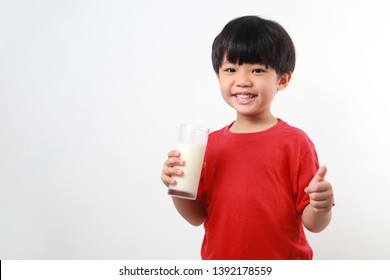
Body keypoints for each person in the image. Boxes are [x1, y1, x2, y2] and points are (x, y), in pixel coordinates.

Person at [161, 15, 334, 260]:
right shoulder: (208, 145)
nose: (242, 80)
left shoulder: (295, 142)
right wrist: (177, 188)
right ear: (218, 76)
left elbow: (313, 224)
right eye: (231, 69)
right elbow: (196, 216)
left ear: (282, 79)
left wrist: (321, 206)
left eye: (257, 70)